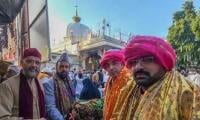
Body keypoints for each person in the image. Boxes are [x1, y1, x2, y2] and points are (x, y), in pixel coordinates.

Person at [112, 35, 200, 120]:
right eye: (133, 62)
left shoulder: (188, 93)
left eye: (147, 59)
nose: (138, 67)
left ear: (164, 62)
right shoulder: (128, 91)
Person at [0, 48, 46, 119]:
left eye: (37, 62)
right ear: (21, 63)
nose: (34, 65)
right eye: (29, 61)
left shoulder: (40, 84)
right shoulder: (7, 86)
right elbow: (3, 117)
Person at [100, 49, 132, 120]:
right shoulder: (109, 80)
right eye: (107, 65)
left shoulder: (130, 80)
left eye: (114, 63)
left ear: (122, 63)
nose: (111, 68)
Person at [43, 52, 75, 120]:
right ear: (57, 68)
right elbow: (51, 108)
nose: (64, 69)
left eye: (66, 67)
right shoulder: (49, 83)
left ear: (69, 68)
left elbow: (73, 99)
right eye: (61, 66)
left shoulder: (69, 82)